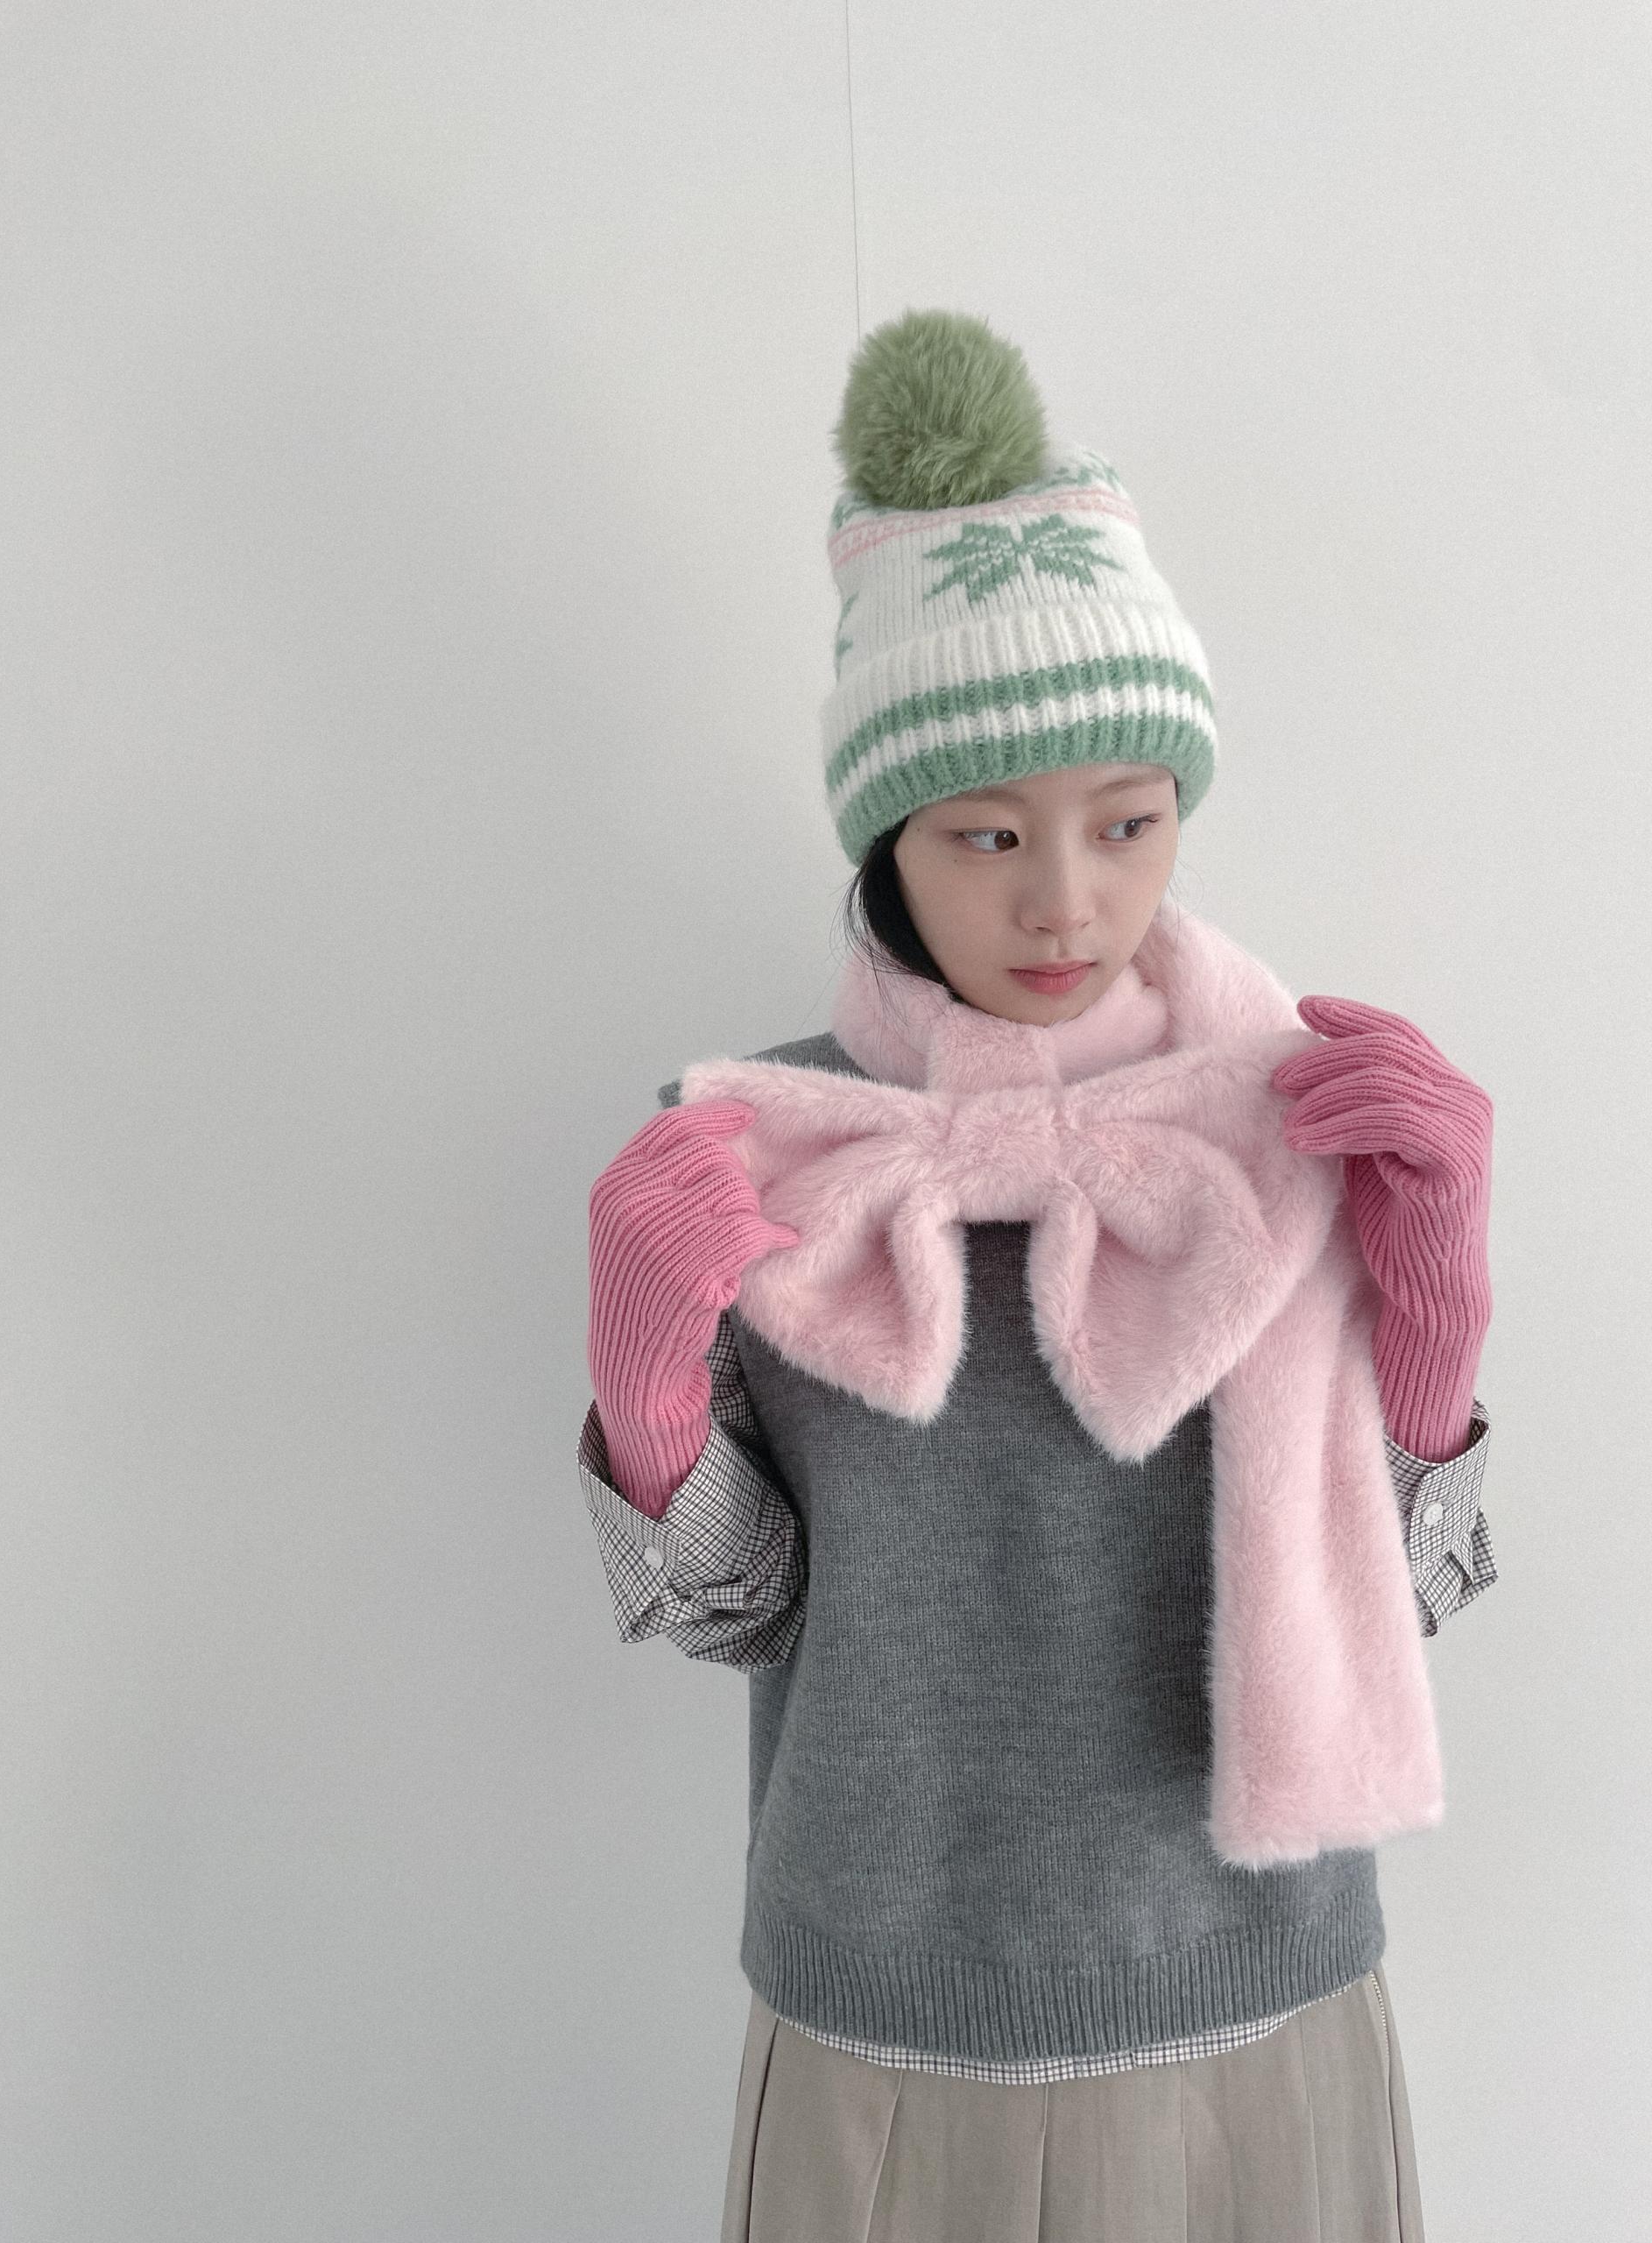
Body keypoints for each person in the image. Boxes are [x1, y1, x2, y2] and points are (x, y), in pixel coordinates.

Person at [577, 308, 1498, 2242]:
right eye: (988, 832)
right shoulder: (768, 1147)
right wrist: (647, 1391)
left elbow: (1403, 1593)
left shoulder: (1288, 1120)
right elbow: (744, 1612)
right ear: (888, 843)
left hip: (1263, 2000)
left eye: (1129, 823)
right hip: (889, 2027)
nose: (1065, 900)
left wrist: (1433, 1307)